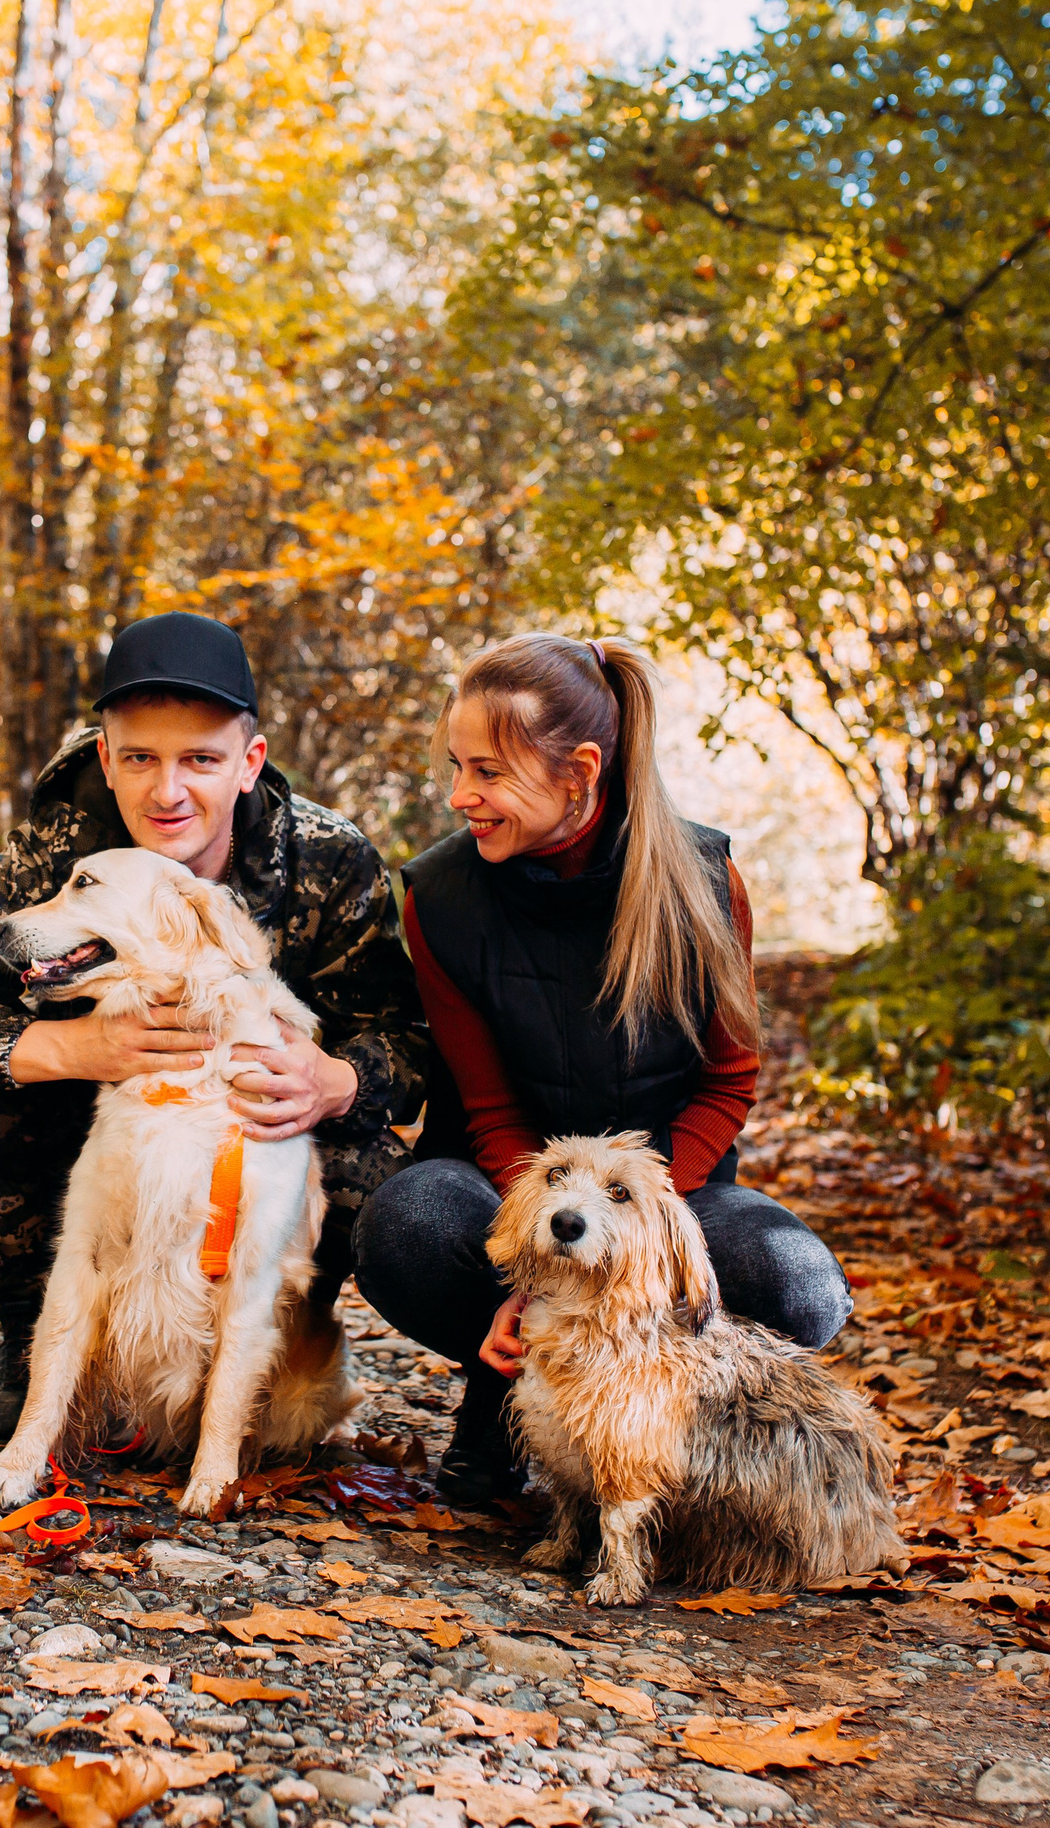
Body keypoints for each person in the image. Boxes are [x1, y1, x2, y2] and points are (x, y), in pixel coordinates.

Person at [0, 612, 428, 1436]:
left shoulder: (325, 858)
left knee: (395, 1178)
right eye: (140, 757)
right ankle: (38, 1325)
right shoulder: (60, 857)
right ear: (106, 759)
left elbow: (413, 1036)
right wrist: (66, 1046)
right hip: (97, 1146)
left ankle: (268, 1342)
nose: (167, 791)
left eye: (200, 761)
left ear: (249, 764)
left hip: (260, 1143)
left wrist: (336, 1079)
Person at [352, 631, 855, 1503]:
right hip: (508, 1187)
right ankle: (512, 1392)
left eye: (487, 772)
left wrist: (639, 1233)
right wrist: (534, 1276)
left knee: (798, 1286)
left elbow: (728, 1079)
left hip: (666, 1192)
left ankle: (645, 1429)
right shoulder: (438, 898)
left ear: (580, 771)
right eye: (456, 766)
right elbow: (490, 1106)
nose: (459, 794)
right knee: (405, 1222)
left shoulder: (704, 881)